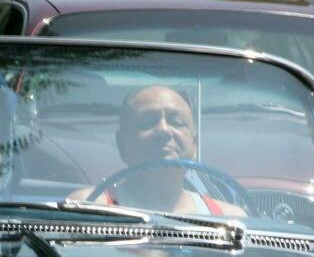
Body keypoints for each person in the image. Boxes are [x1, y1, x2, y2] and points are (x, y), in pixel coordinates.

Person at [69, 84, 245, 216]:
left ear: (195, 145)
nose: (163, 130)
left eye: (176, 122)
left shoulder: (229, 219)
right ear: (122, 144)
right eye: (147, 122)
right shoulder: (88, 208)